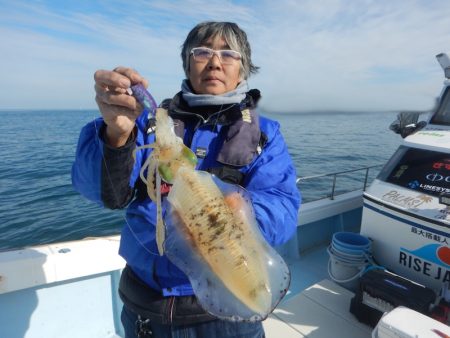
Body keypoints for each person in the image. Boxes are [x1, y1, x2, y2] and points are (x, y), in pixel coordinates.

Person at [72, 21, 301, 338]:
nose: (215, 62)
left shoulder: (265, 135)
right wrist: (117, 135)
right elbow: (104, 193)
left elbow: (283, 206)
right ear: (187, 62)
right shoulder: (145, 124)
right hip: (146, 308)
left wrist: (238, 217)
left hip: (225, 317)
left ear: (243, 69)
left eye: (228, 54)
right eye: (203, 51)